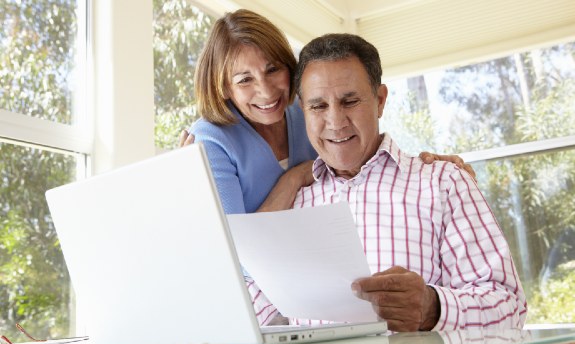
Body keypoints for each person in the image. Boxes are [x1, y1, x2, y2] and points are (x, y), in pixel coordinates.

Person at [248, 33, 527, 331]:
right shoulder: (292, 203)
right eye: (318, 106)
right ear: (303, 108)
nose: (335, 121)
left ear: (380, 100)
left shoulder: (443, 183)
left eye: (350, 101)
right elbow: (248, 312)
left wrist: (433, 308)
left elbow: (509, 305)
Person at [184, 9, 475, 216]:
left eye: (273, 69)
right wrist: (294, 178)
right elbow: (237, 257)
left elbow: (364, 158)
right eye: (244, 79)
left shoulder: (309, 110)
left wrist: (429, 169)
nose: (266, 91)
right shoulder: (211, 141)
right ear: (223, 87)